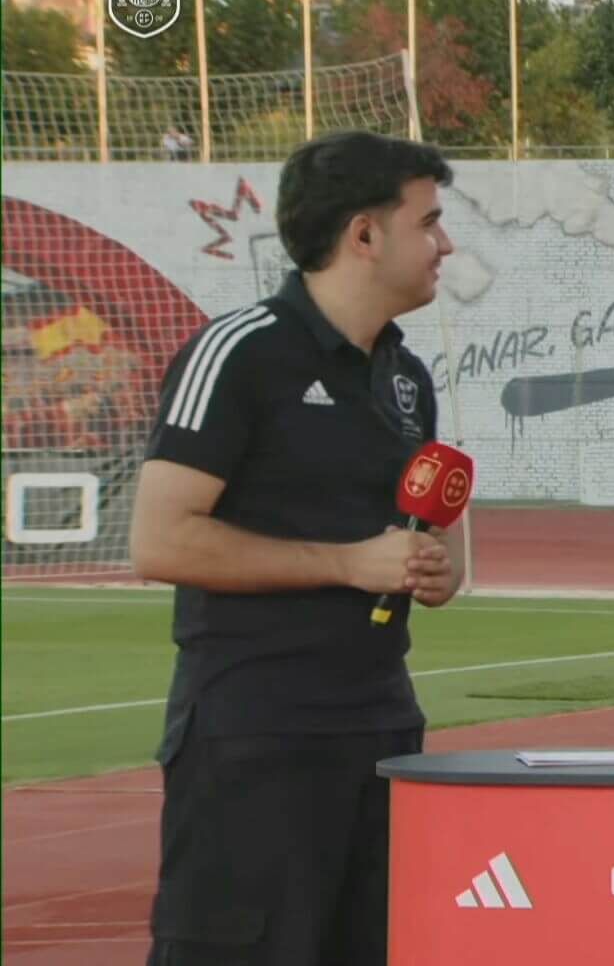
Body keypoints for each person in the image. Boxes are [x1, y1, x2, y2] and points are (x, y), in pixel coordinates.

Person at [131, 130, 463, 965]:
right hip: (255, 739)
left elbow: (416, 542)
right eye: (428, 222)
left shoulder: (404, 375)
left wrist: (432, 566)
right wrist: (348, 563)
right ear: (363, 235)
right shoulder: (239, 352)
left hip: (382, 728)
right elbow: (160, 540)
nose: (445, 244)